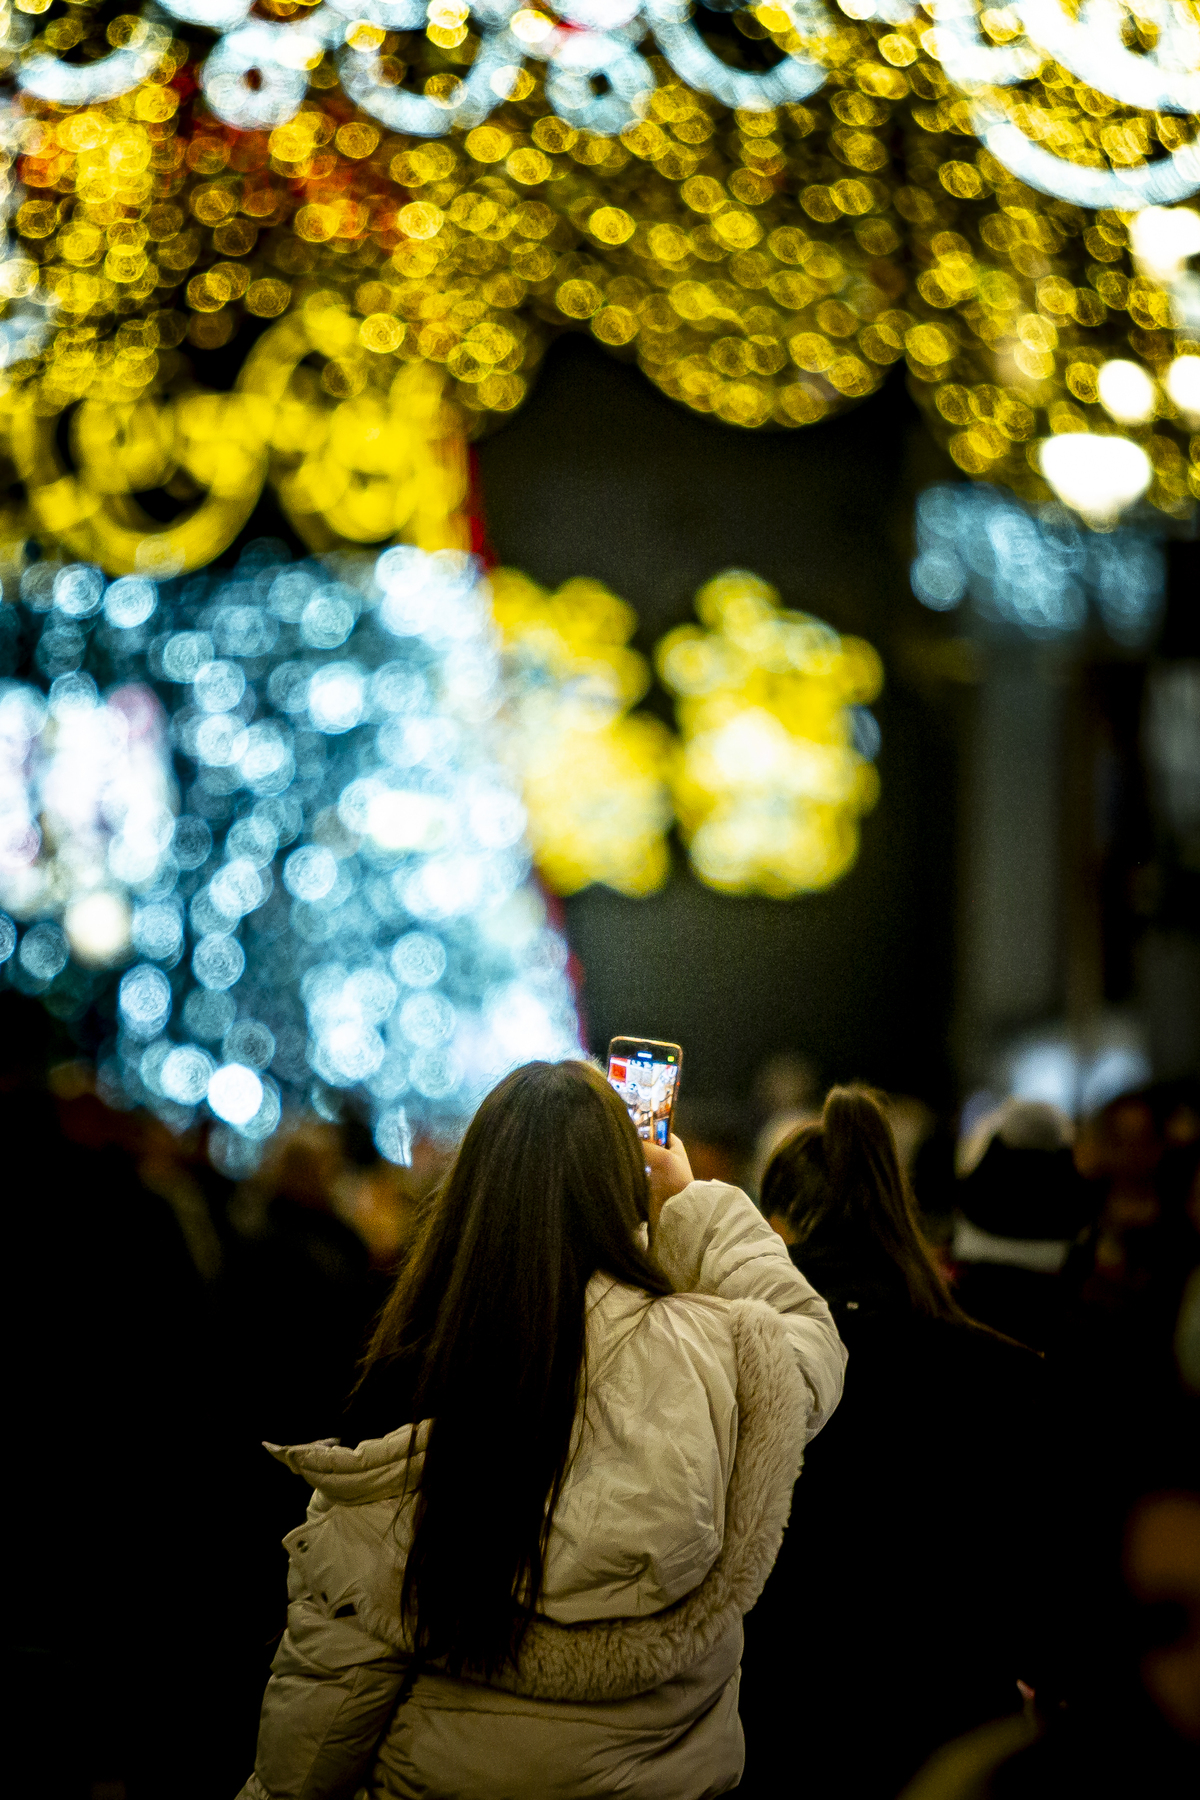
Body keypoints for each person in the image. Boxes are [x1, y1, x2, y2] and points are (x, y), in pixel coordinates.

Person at [236, 1058, 846, 1800]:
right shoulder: (707, 1355)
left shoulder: (422, 1364)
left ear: (474, 1193)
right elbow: (807, 1347)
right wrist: (694, 1204)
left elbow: (322, 1718)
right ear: (623, 1187)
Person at [739, 1085, 1047, 1800]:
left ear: (776, 1230)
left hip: (782, 1733)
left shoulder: (737, 1368)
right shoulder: (1005, 1371)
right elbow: (1035, 1591)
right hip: (953, 1739)